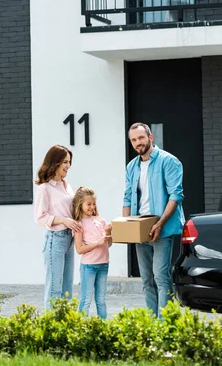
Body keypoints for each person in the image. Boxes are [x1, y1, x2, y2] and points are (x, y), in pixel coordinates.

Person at [123, 123, 185, 318]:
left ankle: (164, 322)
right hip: (139, 227)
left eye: (140, 138)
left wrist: (159, 224)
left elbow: (176, 195)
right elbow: (127, 197)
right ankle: (151, 321)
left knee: (160, 276)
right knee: (146, 279)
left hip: (162, 226)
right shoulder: (132, 166)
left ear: (150, 137)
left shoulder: (169, 161)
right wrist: (126, 225)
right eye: (133, 140)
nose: (137, 143)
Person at [34, 145, 83, 309]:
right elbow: (40, 217)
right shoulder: (45, 188)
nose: (68, 166)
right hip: (55, 241)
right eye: (65, 162)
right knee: (54, 291)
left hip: (69, 240)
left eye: (69, 162)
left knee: (67, 290)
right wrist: (63, 220)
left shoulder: (67, 185)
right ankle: (50, 330)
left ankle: (66, 329)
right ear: (55, 163)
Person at [72, 186, 112, 319]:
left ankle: (103, 329)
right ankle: (82, 330)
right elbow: (79, 249)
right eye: (88, 204)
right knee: (86, 300)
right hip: (89, 266)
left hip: (103, 264)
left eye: (94, 204)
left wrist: (108, 233)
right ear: (80, 204)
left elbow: (108, 244)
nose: (92, 207)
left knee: (101, 300)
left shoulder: (101, 220)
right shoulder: (79, 224)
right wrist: (97, 244)